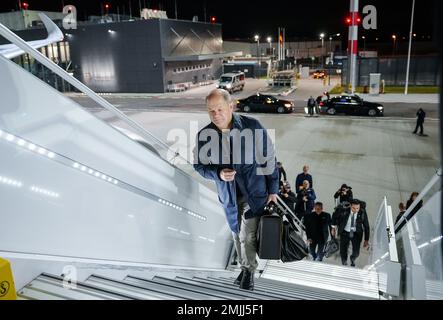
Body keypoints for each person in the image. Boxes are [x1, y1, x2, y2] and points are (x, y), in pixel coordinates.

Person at [193, 89, 279, 291]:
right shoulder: (205, 135)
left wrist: (273, 190)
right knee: (234, 234)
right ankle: (244, 267)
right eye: (211, 111)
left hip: (254, 193)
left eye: (220, 109)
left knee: (247, 235)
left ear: (231, 106)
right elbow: (199, 166)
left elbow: (269, 159)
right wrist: (218, 174)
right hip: (229, 196)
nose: (216, 114)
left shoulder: (253, 126)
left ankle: (249, 271)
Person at [331, 199, 370, 267]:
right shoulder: (344, 209)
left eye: (357, 208)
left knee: (356, 252)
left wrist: (366, 240)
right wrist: (333, 227)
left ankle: (352, 258)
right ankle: (344, 261)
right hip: (344, 232)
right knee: (343, 250)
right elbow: (335, 215)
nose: (355, 210)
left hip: (356, 234)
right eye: (353, 208)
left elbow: (366, 226)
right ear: (350, 206)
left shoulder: (362, 212)